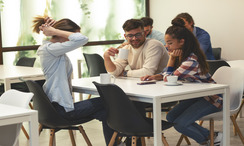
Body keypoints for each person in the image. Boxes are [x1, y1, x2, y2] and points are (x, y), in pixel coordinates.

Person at [32, 16, 114, 145]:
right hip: (62, 112)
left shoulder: (51, 48)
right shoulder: (50, 50)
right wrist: (55, 31)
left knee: (106, 112)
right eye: (71, 34)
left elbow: (78, 38)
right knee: (110, 100)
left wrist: (54, 30)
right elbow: (82, 39)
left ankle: (115, 143)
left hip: (55, 109)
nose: (71, 37)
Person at [140, 18, 223, 145]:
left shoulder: (191, 60)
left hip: (211, 98)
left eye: (169, 43)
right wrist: (155, 76)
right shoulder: (183, 56)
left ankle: (209, 140)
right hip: (196, 97)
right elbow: (170, 74)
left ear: (181, 42)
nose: (166, 46)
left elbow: (170, 79)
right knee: (171, 117)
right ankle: (213, 137)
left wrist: (171, 60)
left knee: (180, 124)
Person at [104, 18, 169, 78]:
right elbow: (114, 72)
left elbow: (148, 72)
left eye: (138, 35)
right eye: (130, 35)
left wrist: (125, 73)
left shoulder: (154, 45)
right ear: (125, 36)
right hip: (142, 83)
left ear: (145, 33)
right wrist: (106, 57)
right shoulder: (126, 48)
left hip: (161, 84)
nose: (134, 38)